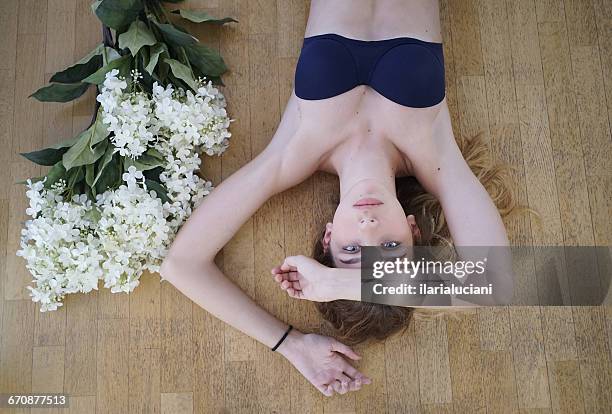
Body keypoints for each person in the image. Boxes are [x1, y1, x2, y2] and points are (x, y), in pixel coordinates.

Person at [160, 0, 517, 397]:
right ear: (413, 230)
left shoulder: (291, 157)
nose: (368, 227)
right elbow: (493, 285)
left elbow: (181, 265)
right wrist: (337, 280)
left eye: (350, 249)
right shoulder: (437, 161)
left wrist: (291, 343)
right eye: (390, 246)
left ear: (328, 237)